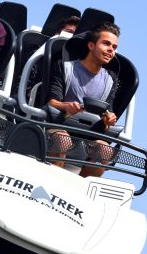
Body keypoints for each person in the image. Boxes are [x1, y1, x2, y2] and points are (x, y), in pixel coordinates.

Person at [45, 23, 120, 177]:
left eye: (114, 47)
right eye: (106, 44)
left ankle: (79, 187)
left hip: (88, 135)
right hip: (59, 126)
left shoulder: (110, 80)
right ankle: (54, 181)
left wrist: (109, 119)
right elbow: (52, 102)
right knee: (62, 139)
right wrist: (66, 106)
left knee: (105, 150)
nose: (111, 50)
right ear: (91, 45)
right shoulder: (65, 67)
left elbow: (107, 113)